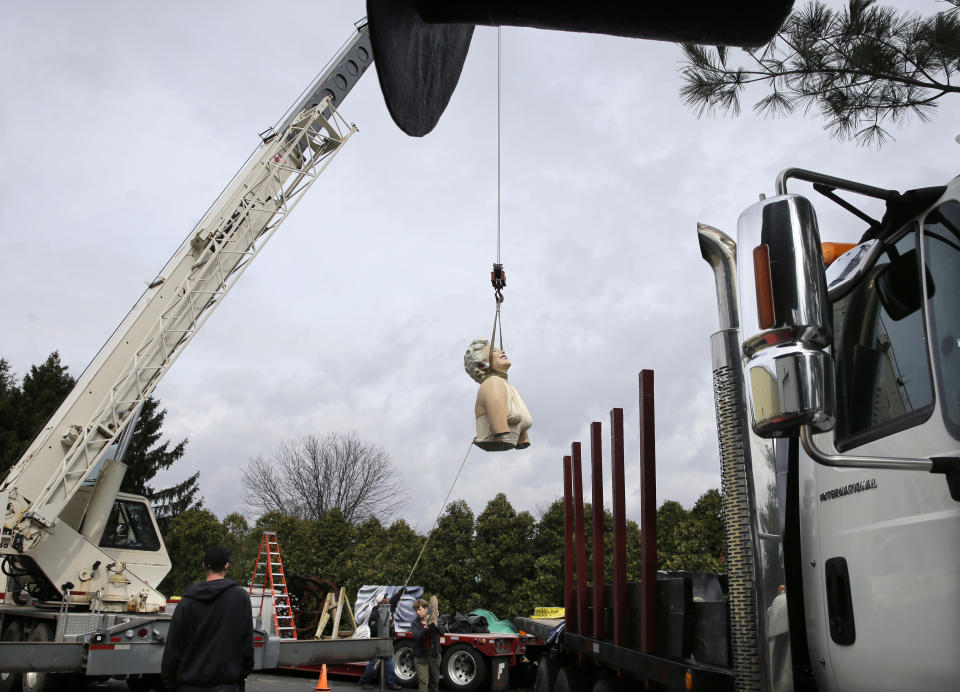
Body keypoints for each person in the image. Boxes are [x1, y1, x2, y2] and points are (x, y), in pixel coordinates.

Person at [161, 545, 254, 692]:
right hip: (227, 685)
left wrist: (170, 683)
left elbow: (174, 647)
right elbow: (247, 645)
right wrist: (241, 675)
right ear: (226, 566)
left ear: (204, 566)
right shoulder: (240, 598)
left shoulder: (187, 601)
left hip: (189, 685)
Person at [464, 338, 532, 451]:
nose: (503, 351)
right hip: (495, 439)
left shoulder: (512, 390)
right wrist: (501, 429)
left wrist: (523, 437)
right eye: (494, 351)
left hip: (509, 442)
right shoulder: (492, 383)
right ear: (482, 365)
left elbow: (521, 422)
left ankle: (520, 441)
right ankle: (500, 430)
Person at [359, 589, 404, 690]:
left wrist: (400, 592)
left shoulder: (388, 608)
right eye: (385, 597)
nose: (388, 599)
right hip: (377, 641)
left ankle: (391, 683)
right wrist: (382, 630)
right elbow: (372, 626)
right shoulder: (375, 611)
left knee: (390, 663)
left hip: (387, 641)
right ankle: (364, 682)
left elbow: (394, 599)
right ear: (381, 601)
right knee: (373, 663)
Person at [411, 598, 442, 692]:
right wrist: (426, 626)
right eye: (416, 610)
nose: (417, 612)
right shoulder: (415, 623)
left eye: (419, 609)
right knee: (423, 681)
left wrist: (435, 620)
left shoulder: (432, 618)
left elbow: (442, 632)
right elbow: (418, 638)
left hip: (434, 655)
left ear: (426, 609)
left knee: (435, 682)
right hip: (420, 657)